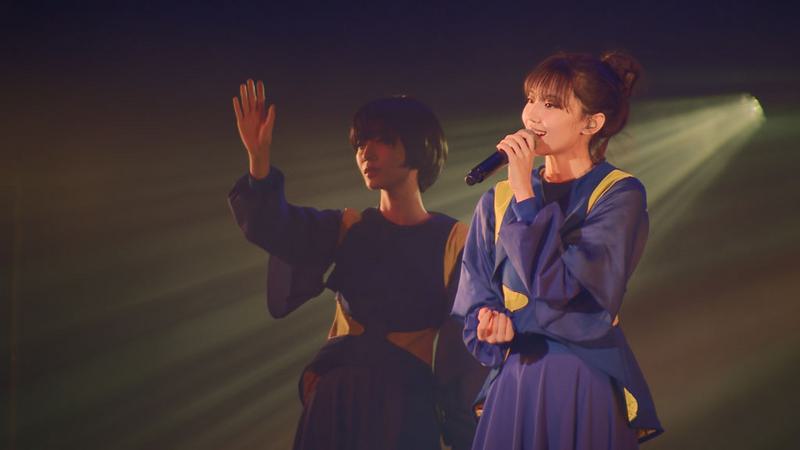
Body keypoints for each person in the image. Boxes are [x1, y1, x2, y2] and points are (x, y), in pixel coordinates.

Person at [227, 80, 487, 450]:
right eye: (361, 143)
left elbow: (464, 346)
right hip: (336, 397)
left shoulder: (455, 240)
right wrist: (258, 160)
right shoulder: (348, 227)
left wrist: (466, 428)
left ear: (418, 145)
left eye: (381, 139)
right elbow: (276, 228)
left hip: (404, 405)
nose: (366, 152)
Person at [452, 52, 664, 449]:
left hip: (578, 376)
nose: (532, 115)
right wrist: (488, 322)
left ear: (591, 123)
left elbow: (564, 288)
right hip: (515, 379)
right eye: (530, 99)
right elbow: (476, 293)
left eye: (550, 104)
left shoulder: (617, 194)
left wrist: (525, 195)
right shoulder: (497, 199)